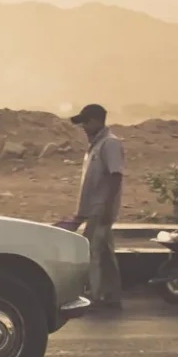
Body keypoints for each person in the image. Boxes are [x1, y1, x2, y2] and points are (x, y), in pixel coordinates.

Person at [67, 103, 125, 309]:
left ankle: (96, 296)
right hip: (94, 210)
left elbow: (115, 176)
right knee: (105, 252)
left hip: (101, 210)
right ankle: (111, 295)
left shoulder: (110, 144)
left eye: (85, 122)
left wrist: (108, 207)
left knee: (92, 253)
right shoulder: (97, 145)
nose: (83, 126)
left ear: (96, 121)